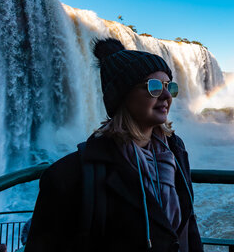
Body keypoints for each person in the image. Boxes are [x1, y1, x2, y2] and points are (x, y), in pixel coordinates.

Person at [25, 38, 203, 252]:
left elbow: (189, 226)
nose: (166, 96)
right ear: (122, 96)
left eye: (169, 86)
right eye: (154, 87)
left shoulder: (175, 151)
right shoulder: (71, 176)